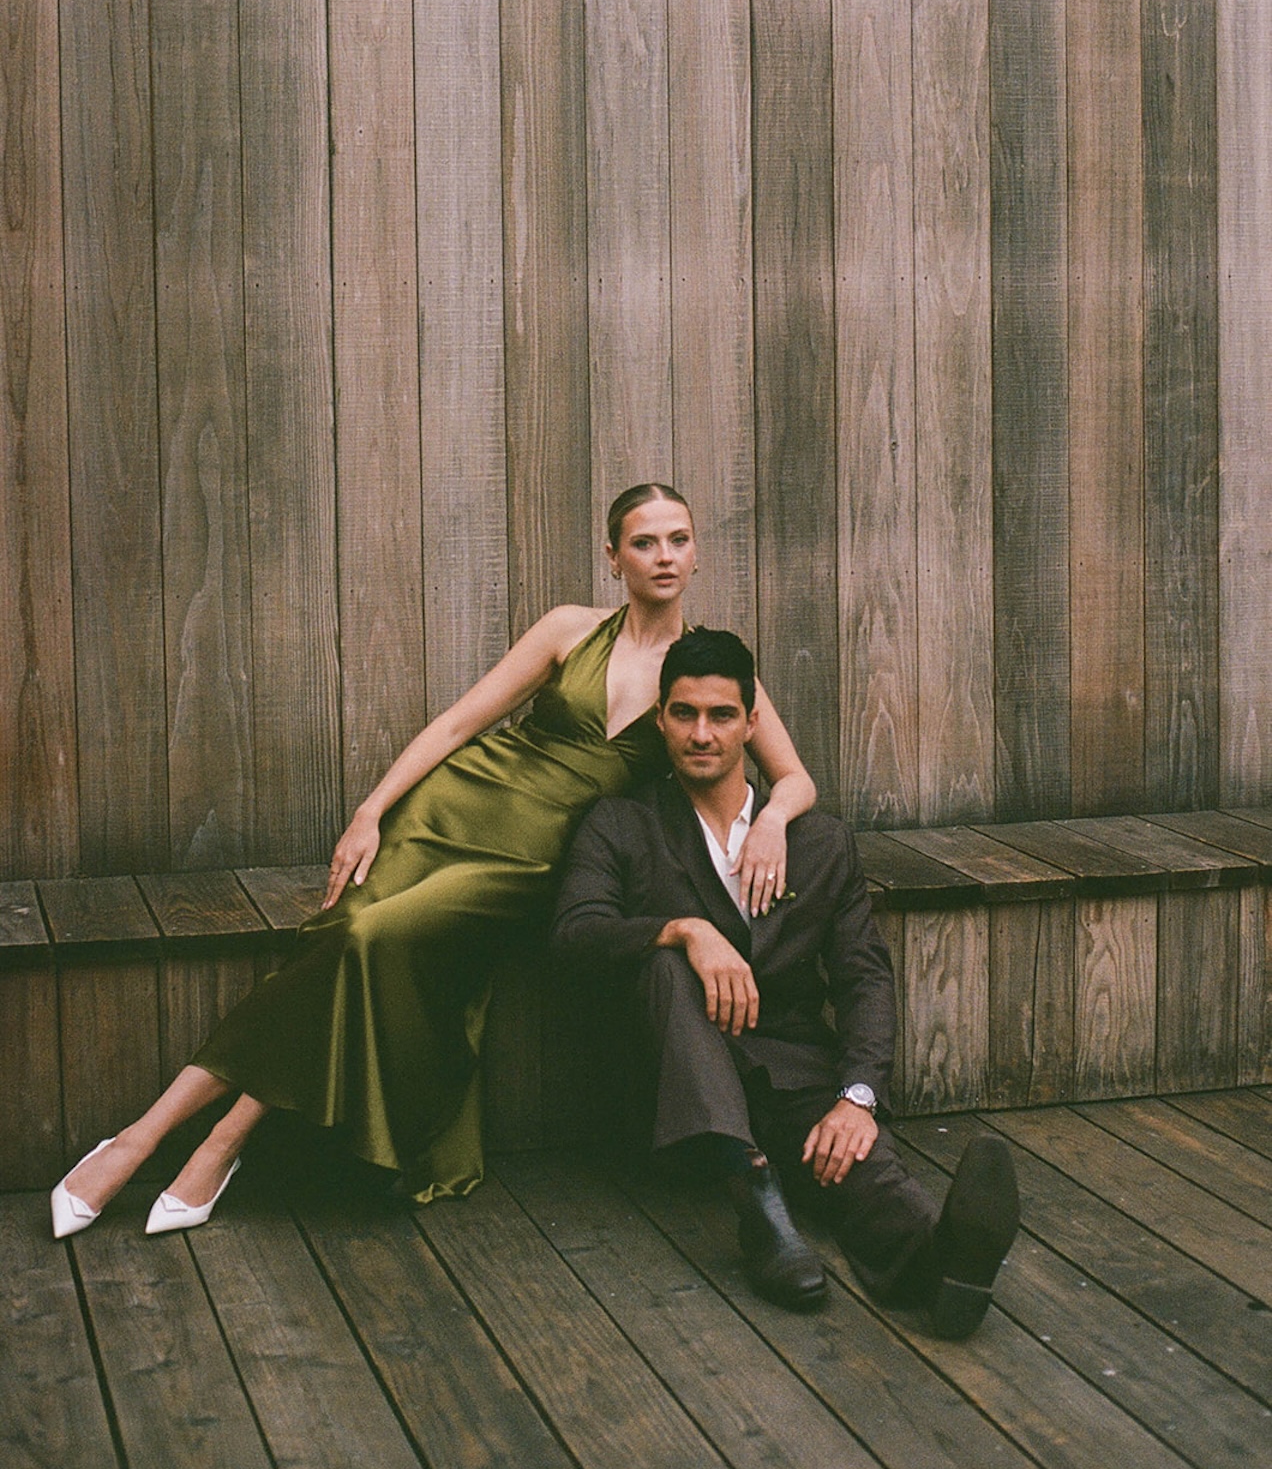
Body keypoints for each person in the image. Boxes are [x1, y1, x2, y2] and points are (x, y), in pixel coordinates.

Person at [51, 487, 815, 1239]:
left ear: (697, 552)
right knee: (346, 933)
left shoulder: (709, 671)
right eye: (644, 542)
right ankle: (180, 1144)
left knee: (363, 938)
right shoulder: (570, 629)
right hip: (457, 805)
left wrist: (773, 818)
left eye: (678, 539)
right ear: (612, 556)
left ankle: (168, 1139)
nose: (663, 557)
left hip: (533, 858)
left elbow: (794, 776)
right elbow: (458, 724)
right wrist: (371, 811)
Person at [549, 627, 1020, 1339]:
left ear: (752, 722)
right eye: (683, 714)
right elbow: (576, 934)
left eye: (721, 715)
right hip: (671, 1091)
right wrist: (683, 929)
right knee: (665, 963)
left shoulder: (818, 843)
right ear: (660, 720)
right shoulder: (620, 822)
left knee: (860, 1164)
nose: (701, 734)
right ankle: (762, 1213)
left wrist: (858, 1098)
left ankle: (942, 1262)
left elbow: (864, 976)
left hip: (790, 1074)